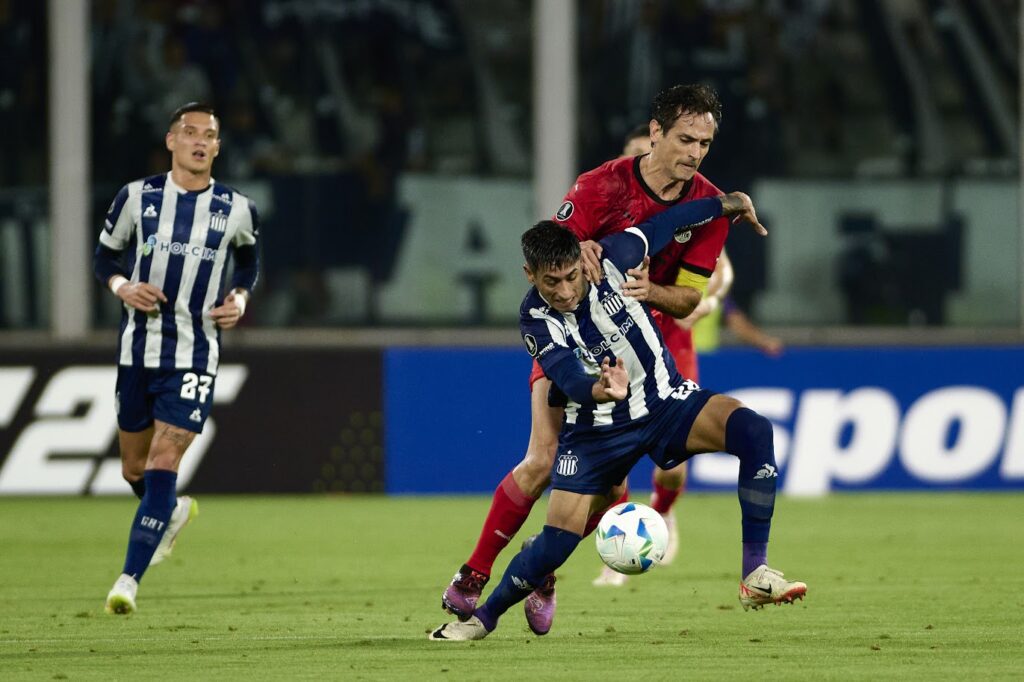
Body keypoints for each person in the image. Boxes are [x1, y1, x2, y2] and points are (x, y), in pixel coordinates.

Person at [440, 84, 747, 625]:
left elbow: (687, 300)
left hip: (639, 354)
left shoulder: (707, 207)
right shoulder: (601, 185)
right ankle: (474, 574)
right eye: (684, 139)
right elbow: (549, 254)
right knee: (541, 459)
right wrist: (572, 246)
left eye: (703, 142)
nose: (694, 152)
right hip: (568, 342)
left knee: (609, 495)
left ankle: (541, 565)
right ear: (654, 136)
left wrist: (653, 291)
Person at [429, 203, 806, 641]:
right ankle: (483, 620)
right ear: (529, 275)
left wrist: (725, 204)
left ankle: (754, 573)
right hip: (595, 428)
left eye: (572, 276)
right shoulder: (535, 319)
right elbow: (567, 373)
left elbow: (665, 223)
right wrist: (599, 389)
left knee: (754, 430)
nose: (566, 290)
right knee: (556, 541)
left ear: (581, 261)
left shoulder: (609, 258)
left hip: (666, 401)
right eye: (552, 282)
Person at [94, 102, 260, 615]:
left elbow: (250, 261)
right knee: (134, 469)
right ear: (170, 141)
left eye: (208, 135)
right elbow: (106, 255)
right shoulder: (136, 197)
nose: (199, 141)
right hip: (137, 350)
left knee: (165, 458)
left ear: (216, 147)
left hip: (196, 351)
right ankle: (171, 512)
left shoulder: (236, 207)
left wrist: (239, 299)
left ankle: (128, 580)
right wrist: (123, 286)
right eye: (189, 132)